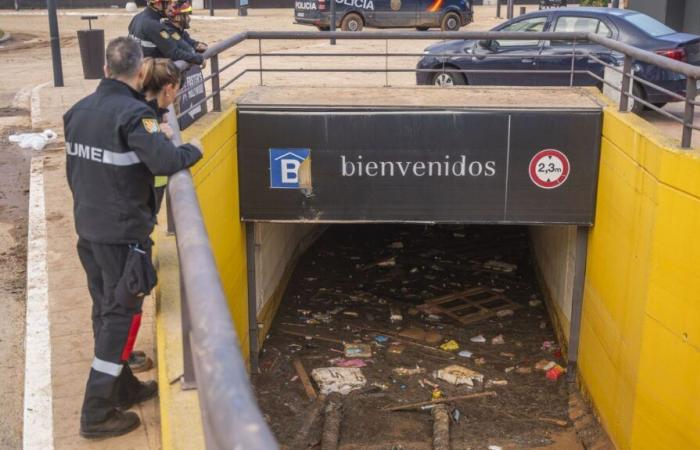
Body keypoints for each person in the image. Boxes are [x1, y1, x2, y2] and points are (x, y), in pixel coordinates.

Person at [63, 36, 202, 438]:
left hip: (89, 231)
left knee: (105, 310)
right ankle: (96, 413)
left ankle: (123, 387)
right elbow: (165, 160)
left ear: (105, 69)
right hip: (122, 236)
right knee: (119, 319)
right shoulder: (134, 116)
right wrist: (191, 149)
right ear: (140, 71)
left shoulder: (78, 111)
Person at [142, 57, 182, 214]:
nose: (175, 98)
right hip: (147, 187)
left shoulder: (144, 106)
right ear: (168, 89)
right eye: (176, 91)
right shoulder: (147, 115)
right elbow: (152, 143)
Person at [128, 0, 204, 65]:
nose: (171, 8)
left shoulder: (137, 17)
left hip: (138, 70)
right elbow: (173, 53)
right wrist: (199, 58)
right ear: (158, 4)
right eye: (168, 3)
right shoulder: (154, 25)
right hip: (151, 75)